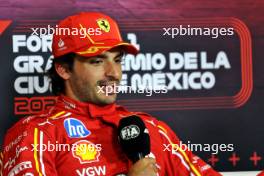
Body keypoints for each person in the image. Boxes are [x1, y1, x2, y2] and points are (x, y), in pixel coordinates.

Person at [1, 12, 222, 176]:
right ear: (64, 69)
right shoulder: (36, 135)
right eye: (97, 61)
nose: (113, 73)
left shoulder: (153, 129)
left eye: (117, 60)